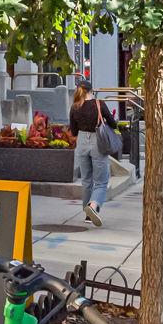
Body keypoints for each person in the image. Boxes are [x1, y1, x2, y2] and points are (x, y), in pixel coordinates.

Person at [70, 82, 114, 227]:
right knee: (101, 181)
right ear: (92, 91)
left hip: (82, 141)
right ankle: (93, 206)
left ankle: (87, 216)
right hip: (97, 141)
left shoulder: (75, 106)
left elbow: (73, 130)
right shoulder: (99, 104)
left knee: (86, 180)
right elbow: (113, 123)